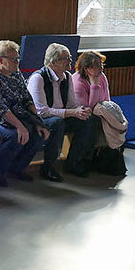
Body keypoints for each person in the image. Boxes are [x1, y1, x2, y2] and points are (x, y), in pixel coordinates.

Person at [0, 40, 50, 186]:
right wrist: (20, 127)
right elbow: (0, 108)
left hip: (17, 116)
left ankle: (16, 169)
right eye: (14, 59)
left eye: (18, 59)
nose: (17, 62)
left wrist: (38, 123)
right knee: (15, 136)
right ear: (0, 60)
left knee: (39, 135)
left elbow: (27, 99)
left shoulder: (16, 74)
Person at [27, 43, 97, 180]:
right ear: (53, 63)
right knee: (57, 123)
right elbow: (42, 112)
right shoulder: (38, 78)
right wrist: (71, 112)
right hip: (41, 119)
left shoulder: (68, 77)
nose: (70, 62)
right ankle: (48, 168)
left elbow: (71, 104)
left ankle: (74, 163)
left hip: (61, 115)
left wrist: (80, 110)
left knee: (88, 119)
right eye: (66, 59)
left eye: (70, 58)